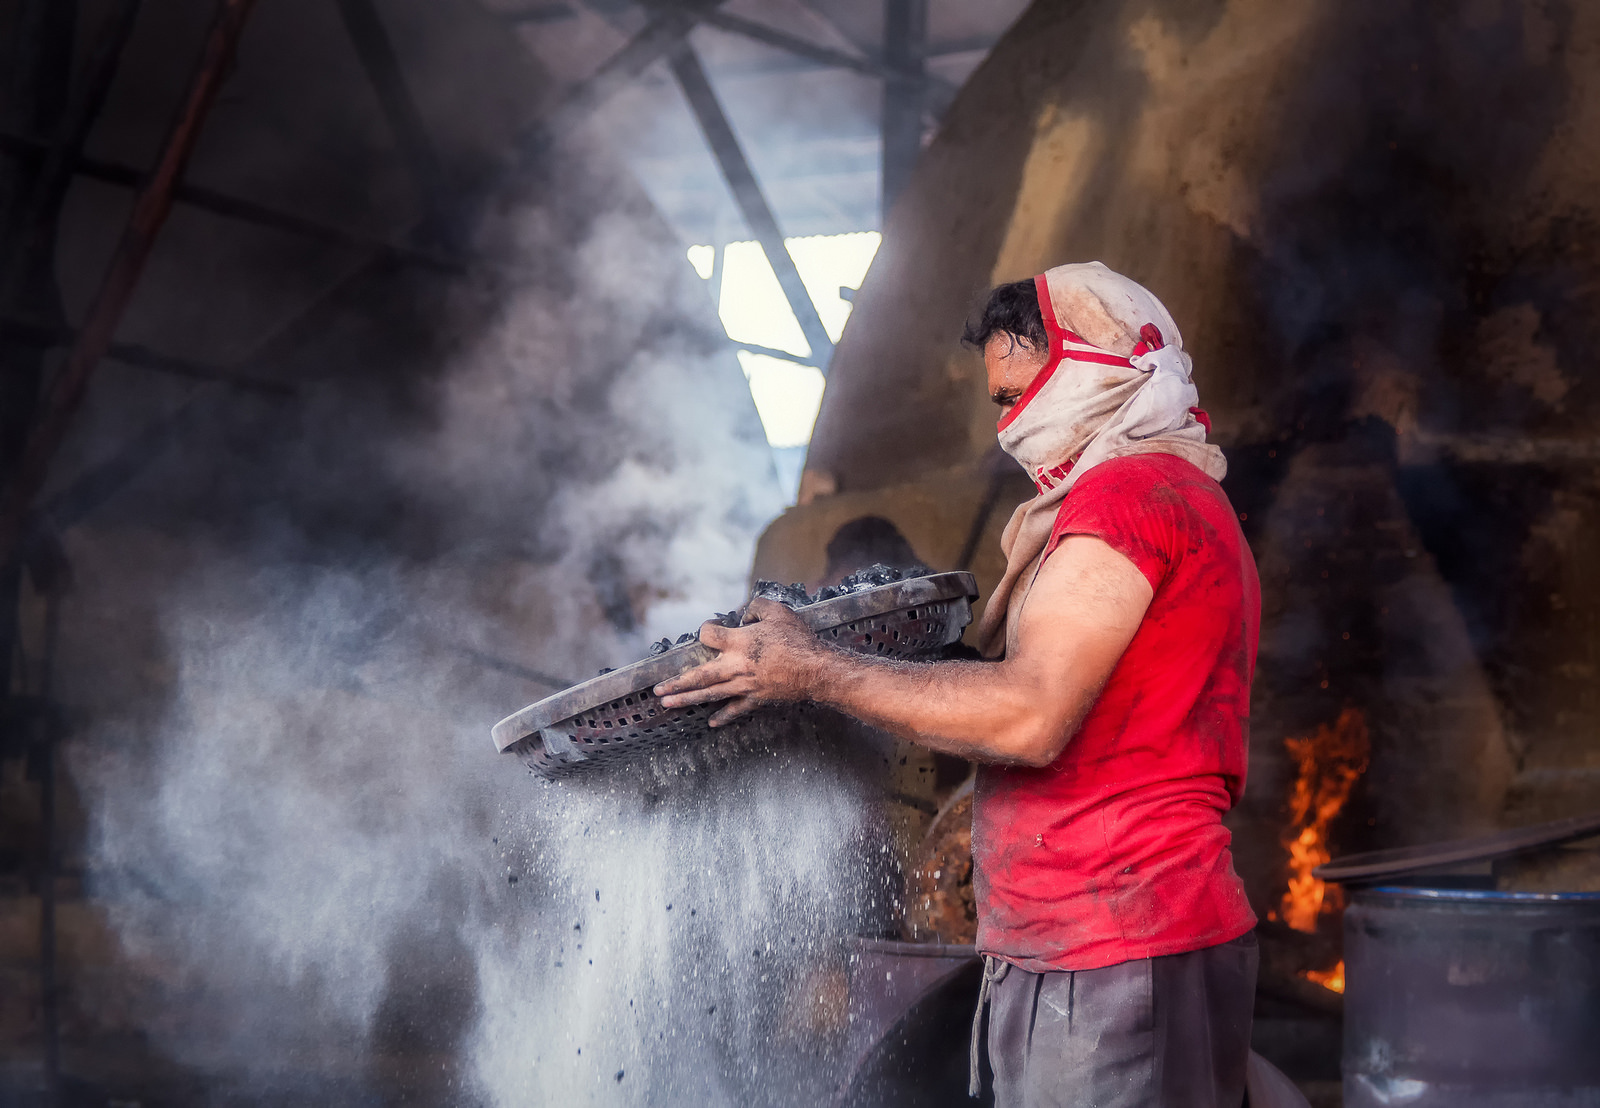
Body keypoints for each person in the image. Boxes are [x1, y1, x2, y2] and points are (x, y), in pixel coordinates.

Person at [656, 262, 1260, 1108]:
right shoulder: (1168, 493)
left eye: (1020, 395)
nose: (1010, 428)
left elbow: (1032, 717)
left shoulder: (1128, 501)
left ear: (1094, 367)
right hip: (1089, 938)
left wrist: (816, 672)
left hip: (1115, 942)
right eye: (999, 402)